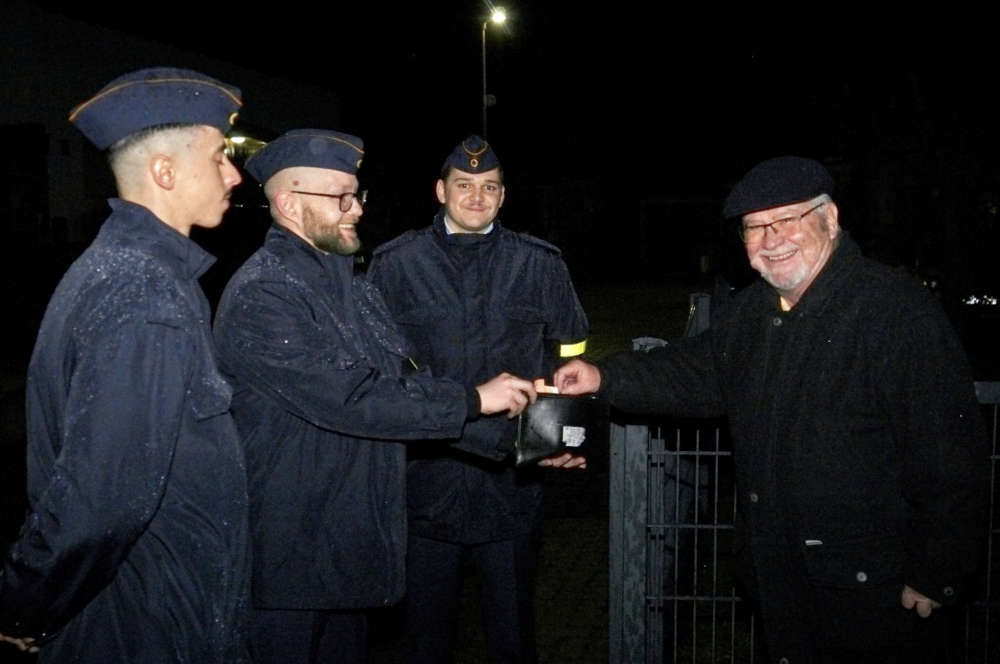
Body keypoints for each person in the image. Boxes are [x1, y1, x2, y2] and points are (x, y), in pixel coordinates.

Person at [555, 156, 989, 664]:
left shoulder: (896, 315)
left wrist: (937, 573)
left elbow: (953, 459)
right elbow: (698, 371)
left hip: (874, 596)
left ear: (829, 220)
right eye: (755, 228)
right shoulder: (754, 313)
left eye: (788, 220)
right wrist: (604, 376)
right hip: (782, 588)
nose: (771, 239)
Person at [212, 129, 539, 664]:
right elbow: (354, 398)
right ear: (289, 203)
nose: (356, 211)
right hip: (289, 567)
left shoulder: (349, 285)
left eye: (356, 196)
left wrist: (531, 443)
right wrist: (473, 400)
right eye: (339, 198)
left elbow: (404, 383)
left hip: (343, 557)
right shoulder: (266, 293)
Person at [0, 67, 250, 663]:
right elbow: (102, 497)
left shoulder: (130, 269)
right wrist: (24, 604)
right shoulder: (143, 294)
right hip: (144, 622)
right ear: (165, 172)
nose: (235, 174)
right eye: (219, 157)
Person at [368, 135, 589, 663]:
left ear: (503, 197)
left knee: (513, 633)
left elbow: (571, 351)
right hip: (426, 482)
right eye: (464, 185)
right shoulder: (397, 264)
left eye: (488, 187)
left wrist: (564, 432)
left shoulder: (538, 263)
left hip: (511, 481)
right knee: (425, 638)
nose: (476, 196)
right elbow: (378, 371)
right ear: (440, 190)